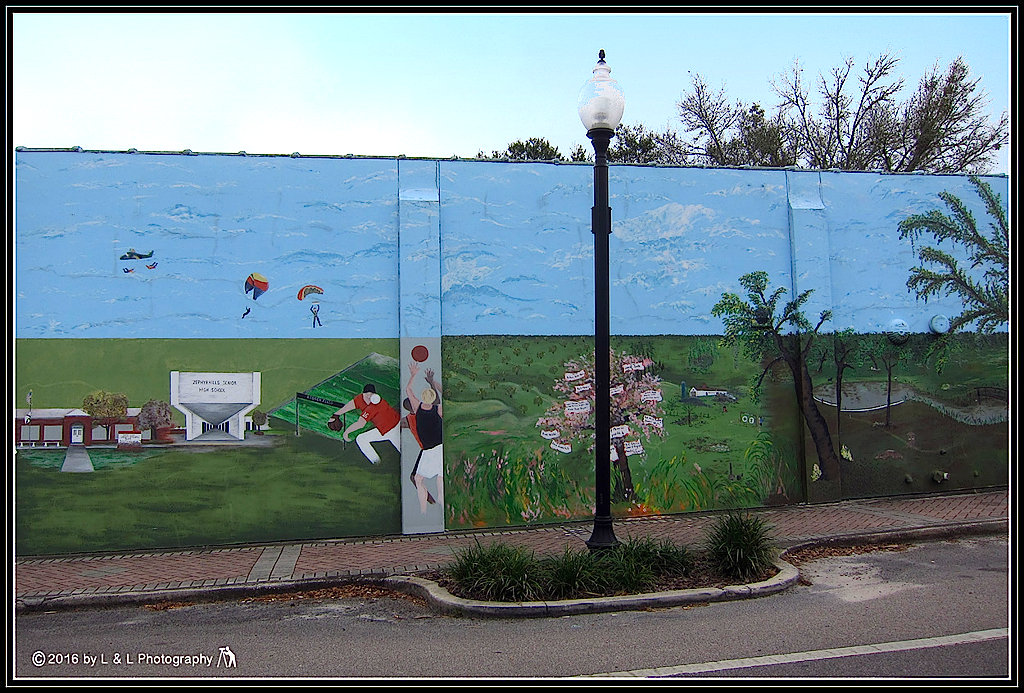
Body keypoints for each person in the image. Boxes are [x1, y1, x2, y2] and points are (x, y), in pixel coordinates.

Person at [405, 362, 443, 513]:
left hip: (429, 450)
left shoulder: (417, 407)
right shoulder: (438, 409)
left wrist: (413, 375)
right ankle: (440, 498)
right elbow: (442, 396)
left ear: (422, 397)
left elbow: (408, 390)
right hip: (440, 448)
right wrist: (432, 382)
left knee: (419, 479)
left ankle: (423, 511)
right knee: (440, 476)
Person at [329, 384, 400, 465]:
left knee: (405, 451)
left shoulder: (375, 405)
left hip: (395, 429)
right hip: (384, 430)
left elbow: (360, 423)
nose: (369, 398)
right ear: (363, 394)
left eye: (371, 395)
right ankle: (376, 462)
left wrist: (346, 432)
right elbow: (350, 405)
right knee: (361, 439)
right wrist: (336, 415)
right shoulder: (360, 399)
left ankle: (376, 463)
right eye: (367, 395)